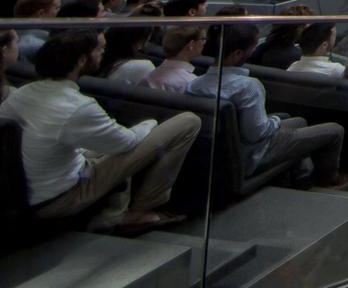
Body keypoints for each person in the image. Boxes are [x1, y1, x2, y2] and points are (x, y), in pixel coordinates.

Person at [0, 30, 202, 233]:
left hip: (29, 192)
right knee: (189, 122)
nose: (103, 53)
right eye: (100, 49)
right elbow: (127, 143)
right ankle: (137, 213)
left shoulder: (22, 93)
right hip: (59, 199)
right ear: (81, 60)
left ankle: (112, 214)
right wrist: (149, 123)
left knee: (107, 145)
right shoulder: (79, 106)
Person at [189, 23, 348, 187]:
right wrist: (275, 121)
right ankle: (329, 182)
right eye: (251, 47)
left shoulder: (194, 84)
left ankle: (301, 176)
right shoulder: (248, 87)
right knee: (335, 130)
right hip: (254, 154)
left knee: (300, 121)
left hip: (225, 152)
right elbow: (258, 133)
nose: (253, 51)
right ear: (237, 54)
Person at [145, 25, 205, 92]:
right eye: (202, 39)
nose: (203, 43)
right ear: (191, 44)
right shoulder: (191, 84)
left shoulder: (148, 77)